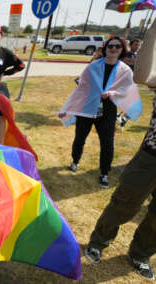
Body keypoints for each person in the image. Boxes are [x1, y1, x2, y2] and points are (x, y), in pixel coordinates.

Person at [84, 19, 156, 281]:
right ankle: (99, 241)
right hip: (152, 155)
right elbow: (142, 77)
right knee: (125, 203)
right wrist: (153, 31)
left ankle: (141, 253)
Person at [59, 36, 142, 189]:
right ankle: (75, 161)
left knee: (107, 143)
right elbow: (81, 88)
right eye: (110, 46)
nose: (114, 48)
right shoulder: (93, 66)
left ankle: (104, 173)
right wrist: (67, 108)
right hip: (87, 107)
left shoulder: (125, 70)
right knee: (79, 138)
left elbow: (127, 89)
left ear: (122, 49)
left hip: (108, 109)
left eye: (118, 46)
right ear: (105, 48)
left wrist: (112, 93)